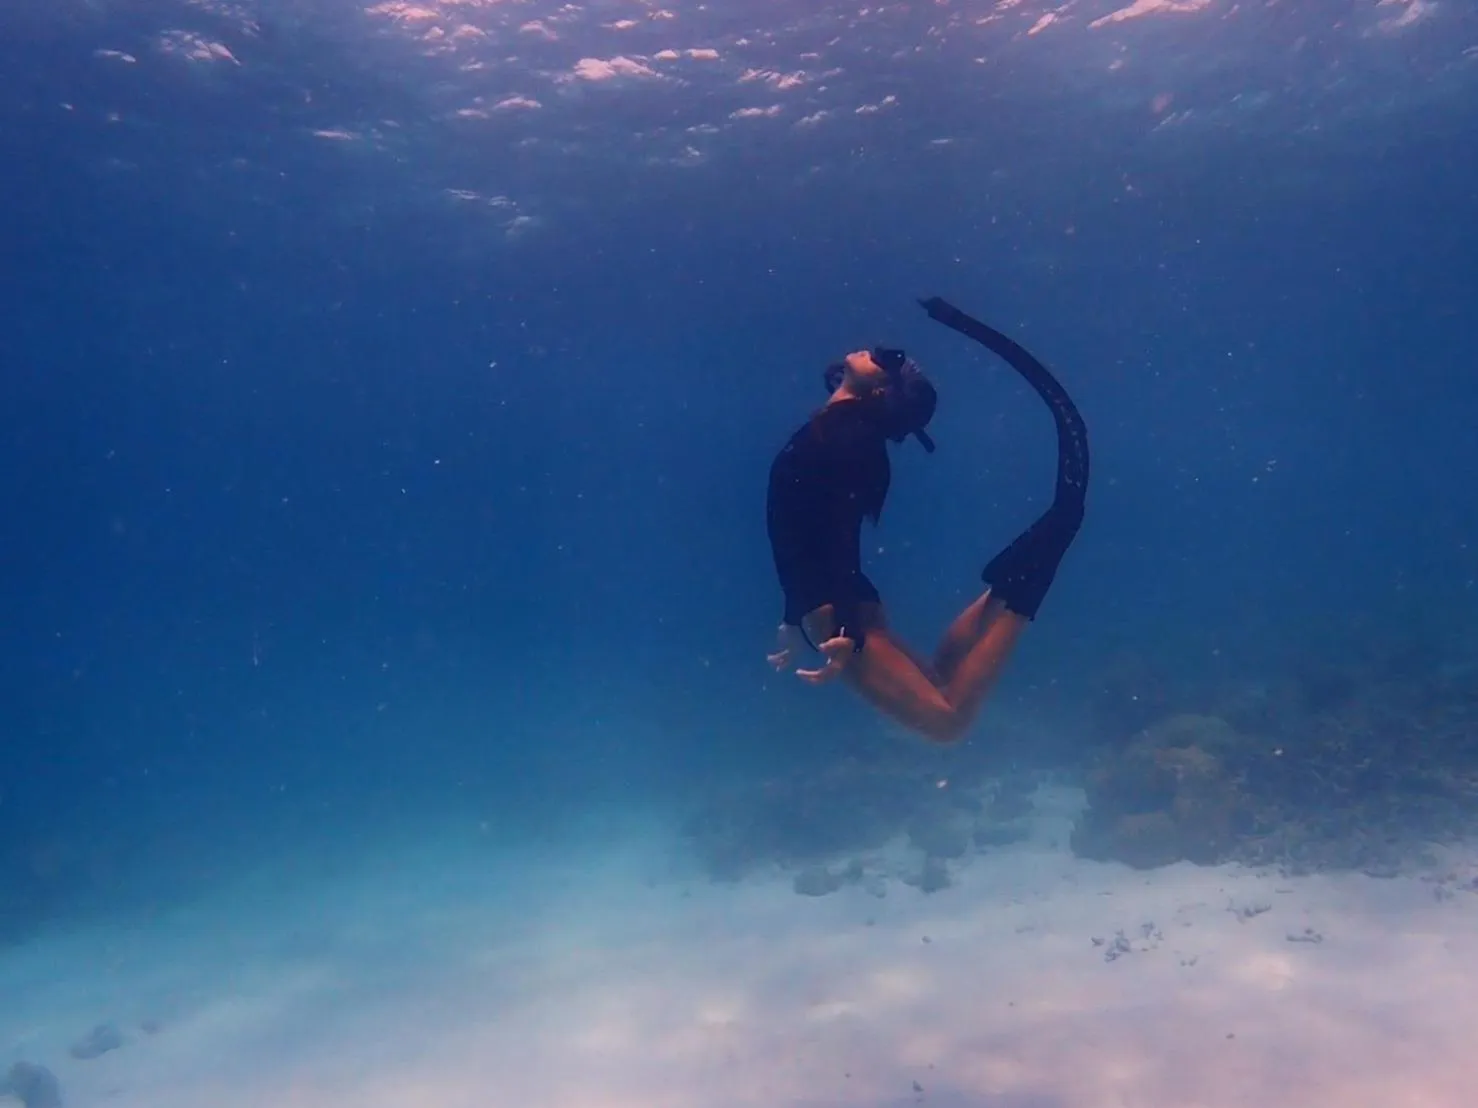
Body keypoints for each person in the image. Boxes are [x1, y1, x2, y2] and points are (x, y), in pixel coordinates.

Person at [764, 297, 1090, 745]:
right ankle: (1009, 583)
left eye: (889, 365)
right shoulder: (839, 430)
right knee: (937, 682)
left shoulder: (845, 437)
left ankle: (1021, 595)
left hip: (833, 605)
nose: (874, 352)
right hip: (835, 600)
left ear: (880, 391)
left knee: (947, 721)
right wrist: (791, 615)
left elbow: (837, 533)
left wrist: (838, 628)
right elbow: (796, 522)